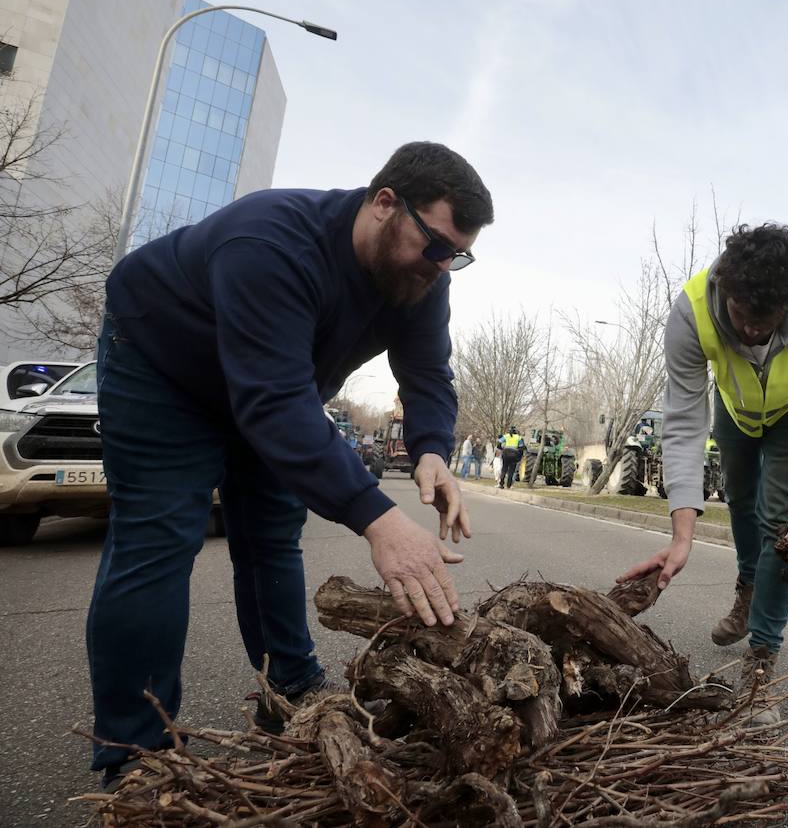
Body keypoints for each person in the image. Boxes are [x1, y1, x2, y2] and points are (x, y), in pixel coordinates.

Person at [88, 142, 493, 788]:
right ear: (385, 203)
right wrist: (378, 521)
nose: (443, 267)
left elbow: (426, 371)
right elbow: (272, 404)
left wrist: (433, 450)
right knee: (160, 538)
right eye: (439, 246)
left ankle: (292, 691)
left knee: (273, 535)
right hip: (164, 365)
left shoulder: (420, 279)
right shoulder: (272, 242)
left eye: (459, 257)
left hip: (274, 383)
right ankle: (135, 755)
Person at [618, 223, 788, 722]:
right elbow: (682, 422)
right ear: (726, 288)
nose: (749, 331)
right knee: (739, 501)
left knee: (779, 524)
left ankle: (762, 657)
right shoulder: (690, 310)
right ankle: (748, 589)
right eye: (742, 315)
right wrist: (681, 537)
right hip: (735, 411)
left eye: (764, 321)